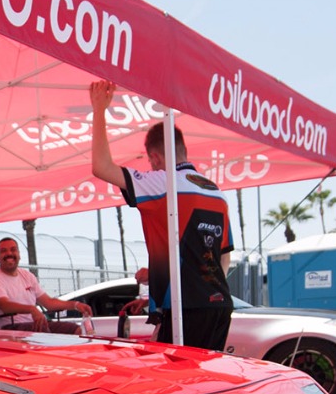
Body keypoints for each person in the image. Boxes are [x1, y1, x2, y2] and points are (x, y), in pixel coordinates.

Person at [87, 80, 234, 350]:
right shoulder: (216, 192)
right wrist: (159, 276)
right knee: (207, 385)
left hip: (185, 308)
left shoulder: (165, 182)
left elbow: (101, 167)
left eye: (150, 161)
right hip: (219, 304)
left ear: (155, 158)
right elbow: (222, 256)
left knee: (178, 387)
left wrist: (99, 109)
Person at [0, 237, 92, 332]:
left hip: (31, 326)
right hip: (6, 329)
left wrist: (76, 305)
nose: (9, 253)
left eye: (13, 250)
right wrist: (32, 309)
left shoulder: (27, 276)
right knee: (44, 332)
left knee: (74, 329)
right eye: (4, 251)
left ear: (19, 255)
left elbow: (48, 303)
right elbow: (5, 306)